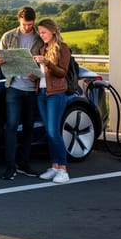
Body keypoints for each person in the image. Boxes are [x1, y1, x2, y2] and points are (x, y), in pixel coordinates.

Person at [0, 6, 43, 180]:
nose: (27, 27)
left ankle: (24, 164)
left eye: (30, 24)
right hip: (14, 87)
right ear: (19, 21)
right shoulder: (8, 36)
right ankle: (10, 167)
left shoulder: (40, 37)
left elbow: (47, 61)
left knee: (29, 128)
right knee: (12, 126)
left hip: (32, 89)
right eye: (24, 24)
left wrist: (36, 73)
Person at [33, 18, 72, 184]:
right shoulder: (43, 48)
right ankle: (54, 166)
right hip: (41, 92)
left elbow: (62, 72)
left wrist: (48, 62)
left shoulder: (62, 48)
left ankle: (63, 169)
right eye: (40, 33)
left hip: (56, 94)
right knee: (48, 132)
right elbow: (42, 74)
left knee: (54, 131)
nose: (41, 35)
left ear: (53, 31)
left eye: (44, 32)